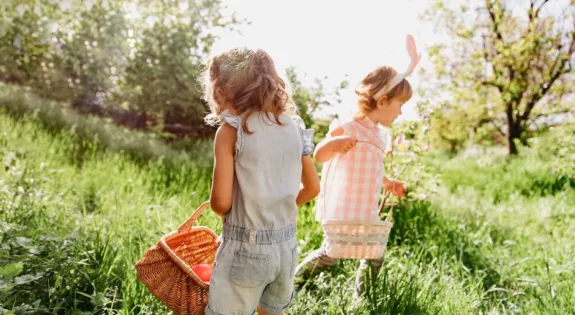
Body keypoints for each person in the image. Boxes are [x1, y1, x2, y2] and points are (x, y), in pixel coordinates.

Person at [295, 35, 420, 299]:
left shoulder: (379, 136)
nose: (401, 113)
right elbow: (319, 155)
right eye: (400, 105)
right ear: (383, 100)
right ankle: (294, 280)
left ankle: (360, 299)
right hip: (343, 209)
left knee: (374, 254)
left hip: (365, 208)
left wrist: (389, 183)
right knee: (330, 255)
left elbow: (373, 169)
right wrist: (335, 143)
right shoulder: (348, 127)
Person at [202, 47, 320, 315]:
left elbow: (221, 203)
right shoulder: (293, 127)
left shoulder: (231, 131)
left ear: (221, 89)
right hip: (286, 247)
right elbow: (313, 188)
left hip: (245, 249)